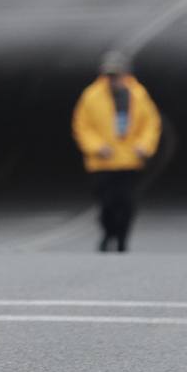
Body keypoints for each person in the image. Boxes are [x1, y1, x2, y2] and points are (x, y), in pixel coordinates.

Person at [71, 51, 161, 253]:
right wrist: (96, 147)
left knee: (127, 203)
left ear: (126, 74)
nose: (113, 80)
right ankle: (109, 232)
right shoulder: (91, 96)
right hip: (102, 162)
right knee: (106, 204)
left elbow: (151, 123)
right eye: (110, 75)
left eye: (117, 75)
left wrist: (144, 147)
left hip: (130, 161)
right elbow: (82, 125)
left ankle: (122, 239)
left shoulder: (138, 94)